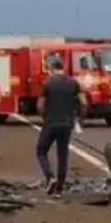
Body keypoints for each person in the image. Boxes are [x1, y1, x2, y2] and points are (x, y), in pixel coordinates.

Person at [36, 56, 87, 195]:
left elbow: (40, 106)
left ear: (51, 68)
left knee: (41, 152)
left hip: (51, 122)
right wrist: (79, 120)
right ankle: (60, 187)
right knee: (62, 154)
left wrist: (45, 118)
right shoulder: (74, 83)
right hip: (67, 123)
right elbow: (84, 103)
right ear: (62, 68)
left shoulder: (47, 83)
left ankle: (50, 177)